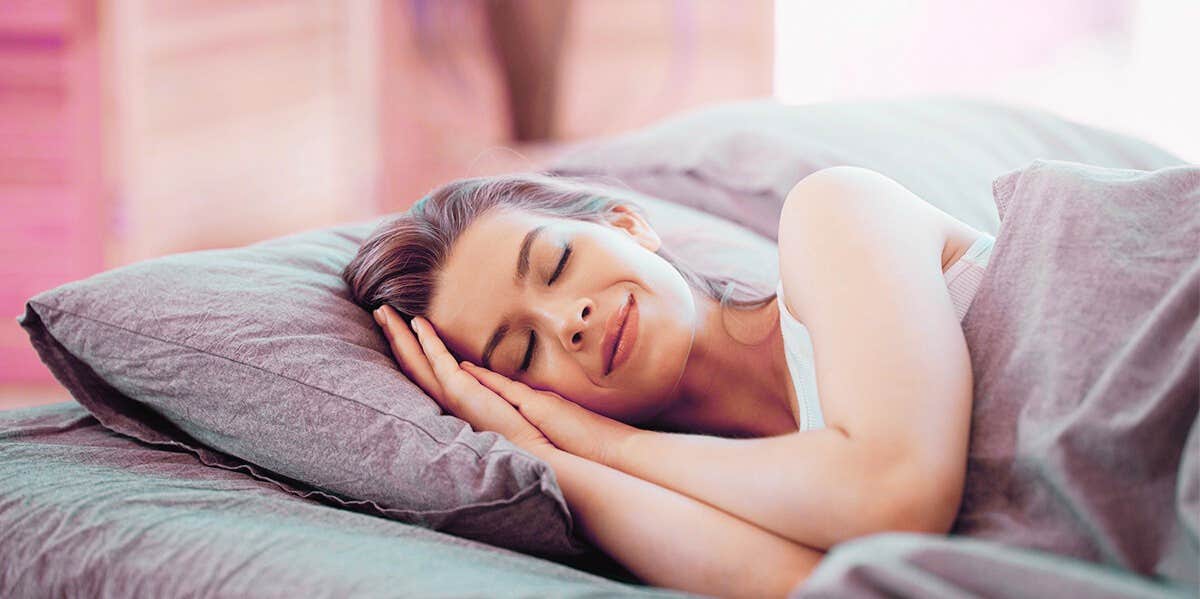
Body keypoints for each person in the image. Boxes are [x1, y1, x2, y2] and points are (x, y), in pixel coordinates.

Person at [343, 165, 992, 598]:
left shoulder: (833, 213)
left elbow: (895, 490)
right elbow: (834, 589)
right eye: (523, 351)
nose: (568, 321)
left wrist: (601, 442)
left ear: (629, 224)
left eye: (557, 263)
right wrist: (545, 457)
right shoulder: (700, 495)